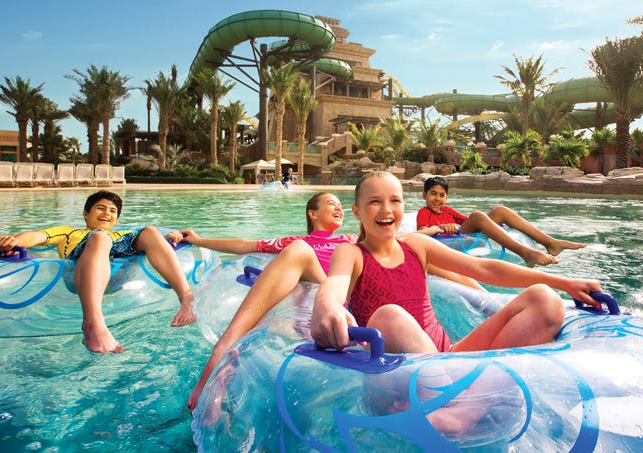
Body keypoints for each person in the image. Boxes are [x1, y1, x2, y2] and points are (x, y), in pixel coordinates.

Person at [310, 171, 603, 431]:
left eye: (395, 201)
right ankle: (461, 402)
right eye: (375, 202)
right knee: (389, 316)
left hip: (445, 357)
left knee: (545, 299)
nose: (386, 210)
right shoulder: (352, 253)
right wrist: (326, 305)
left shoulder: (417, 245)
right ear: (357, 211)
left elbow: (484, 269)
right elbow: (334, 284)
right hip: (394, 374)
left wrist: (564, 283)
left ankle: (464, 411)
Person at [184, 192, 481, 412]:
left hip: (342, 291)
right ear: (312, 214)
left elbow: (395, 239)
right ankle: (221, 356)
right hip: (319, 285)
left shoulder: (351, 242)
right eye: (330, 203)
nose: (338, 207)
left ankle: (482, 296)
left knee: (413, 255)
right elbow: (245, 245)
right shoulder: (297, 243)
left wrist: (429, 232)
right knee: (300, 250)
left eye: (340, 205)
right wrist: (198, 240)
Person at [0, 190, 195, 354]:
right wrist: (14, 242)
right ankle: (92, 323)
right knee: (99, 237)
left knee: (150, 231)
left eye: (113, 211)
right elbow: (37, 236)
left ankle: (186, 297)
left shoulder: (122, 234)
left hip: (119, 276)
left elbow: (157, 244)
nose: (107, 213)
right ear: (85, 213)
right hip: (82, 273)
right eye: (100, 208)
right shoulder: (68, 232)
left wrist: (170, 237)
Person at [416, 175, 585, 267]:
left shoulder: (447, 210)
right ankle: (525, 253)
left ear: (446, 197)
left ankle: (550, 243)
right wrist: (441, 227)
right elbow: (422, 233)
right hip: (446, 243)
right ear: (424, 195)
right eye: (433, 194)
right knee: (478, 215)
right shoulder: (424, 212)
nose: (437, 199)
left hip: (460, 236)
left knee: (500, 211)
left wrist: (493, 224)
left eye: (441, 195)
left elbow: (470, 222)